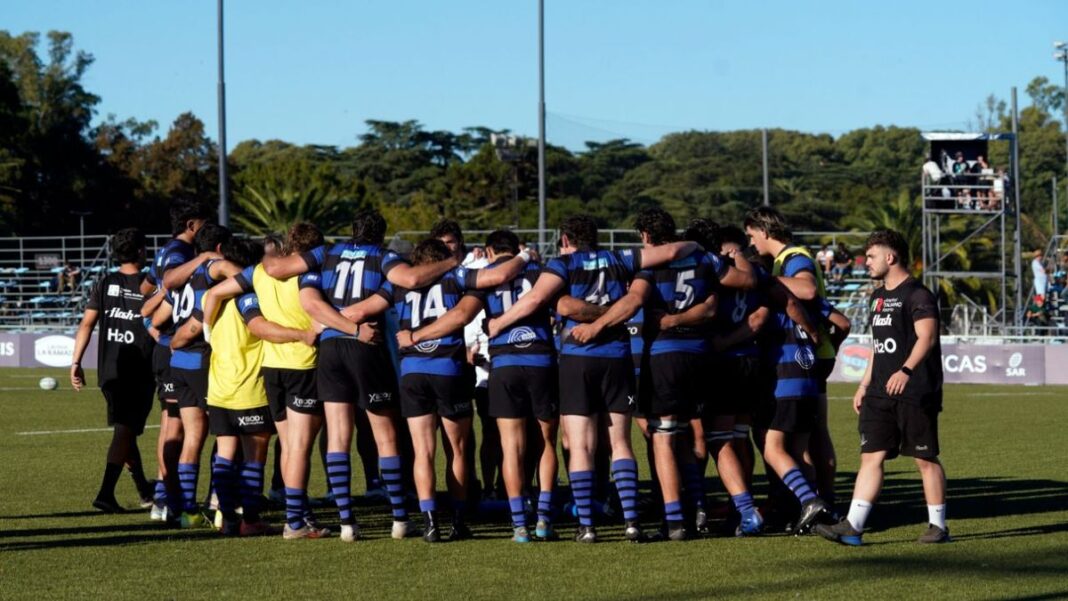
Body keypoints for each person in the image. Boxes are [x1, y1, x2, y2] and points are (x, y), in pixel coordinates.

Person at [263, 208, 526, 542]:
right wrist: (454, 263)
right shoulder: (385, 258)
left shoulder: (327, 252)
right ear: (381, 235)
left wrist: (338, 320)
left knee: (339, 436)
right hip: (373, 350)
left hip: (332, 349)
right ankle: (404, 519)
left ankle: (347, 523)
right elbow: (414, 280)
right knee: (393, 437)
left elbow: (278, 270)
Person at [487, 214, 701, 543]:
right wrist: (695, 243)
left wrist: (500, 324)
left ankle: (586, 526)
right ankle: (631, 522)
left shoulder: (563, 263)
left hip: (577, 359)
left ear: (566, 240)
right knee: (620, 443)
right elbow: (672, 253)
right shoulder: (622, 257)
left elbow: (537, 300)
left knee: (582, 446)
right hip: (616, 356)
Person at [570, 209, 757, 541]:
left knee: (663, 439)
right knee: (699, 437)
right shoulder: (703, 259)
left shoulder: (650, 265)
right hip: (701, 358)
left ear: (644, 236)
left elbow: (633, 301)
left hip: (664, 357)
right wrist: (734, 255)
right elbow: (744, 282)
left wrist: (598, 324)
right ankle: (714, 510)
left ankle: (674, 521)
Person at [816, 229, 948, 546]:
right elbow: (878, 346)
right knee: (870, 457)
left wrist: (906, 370)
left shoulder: (918, 294)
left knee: (924, 459)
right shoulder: (877, 298)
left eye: (872, 256)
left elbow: (926, 338)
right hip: (878, 392)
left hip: (916, 391)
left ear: (890, 257)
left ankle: (938, 526)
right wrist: (864, 383)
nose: (867, 263)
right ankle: (853, 526)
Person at [202, 223, 328, 539]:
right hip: (279, 373)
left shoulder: (245, 283)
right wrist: (305, 332)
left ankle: (231, 518)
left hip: (244, 379)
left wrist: (205, 331)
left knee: (242, 453)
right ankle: (280, 519)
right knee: (286, 450)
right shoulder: (292, 280)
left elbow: (213, 295)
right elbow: (263, 325)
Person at [70, 228, 156, 512]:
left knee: (125, 430)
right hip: (138, 371)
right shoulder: (151, 284)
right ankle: (106, 494)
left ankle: (144, 489)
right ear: (142, 251)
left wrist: (76, 362)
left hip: (109, 370)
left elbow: (86, 324)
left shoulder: (104, 282)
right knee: (124, 430)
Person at [139, 199, 212, 521]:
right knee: (178, 427)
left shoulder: (169, 250)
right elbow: (168, 281)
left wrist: (150, 319)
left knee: (177, 425)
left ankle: (163, 498)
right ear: (191, 225)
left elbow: (147, 287)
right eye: (203, 224)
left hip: (170, 346)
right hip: (177, 348)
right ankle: (172, 499)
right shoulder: (181, 253)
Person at [167, 223, 240, 528]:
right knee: (227, 433)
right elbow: (244, 276)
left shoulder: (186, 273)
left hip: (180, 360)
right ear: (220, 248)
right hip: (201, 359)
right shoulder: (213, 267)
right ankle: (220, 505)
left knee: (192, 437)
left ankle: (188, 511)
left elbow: (163, 293)